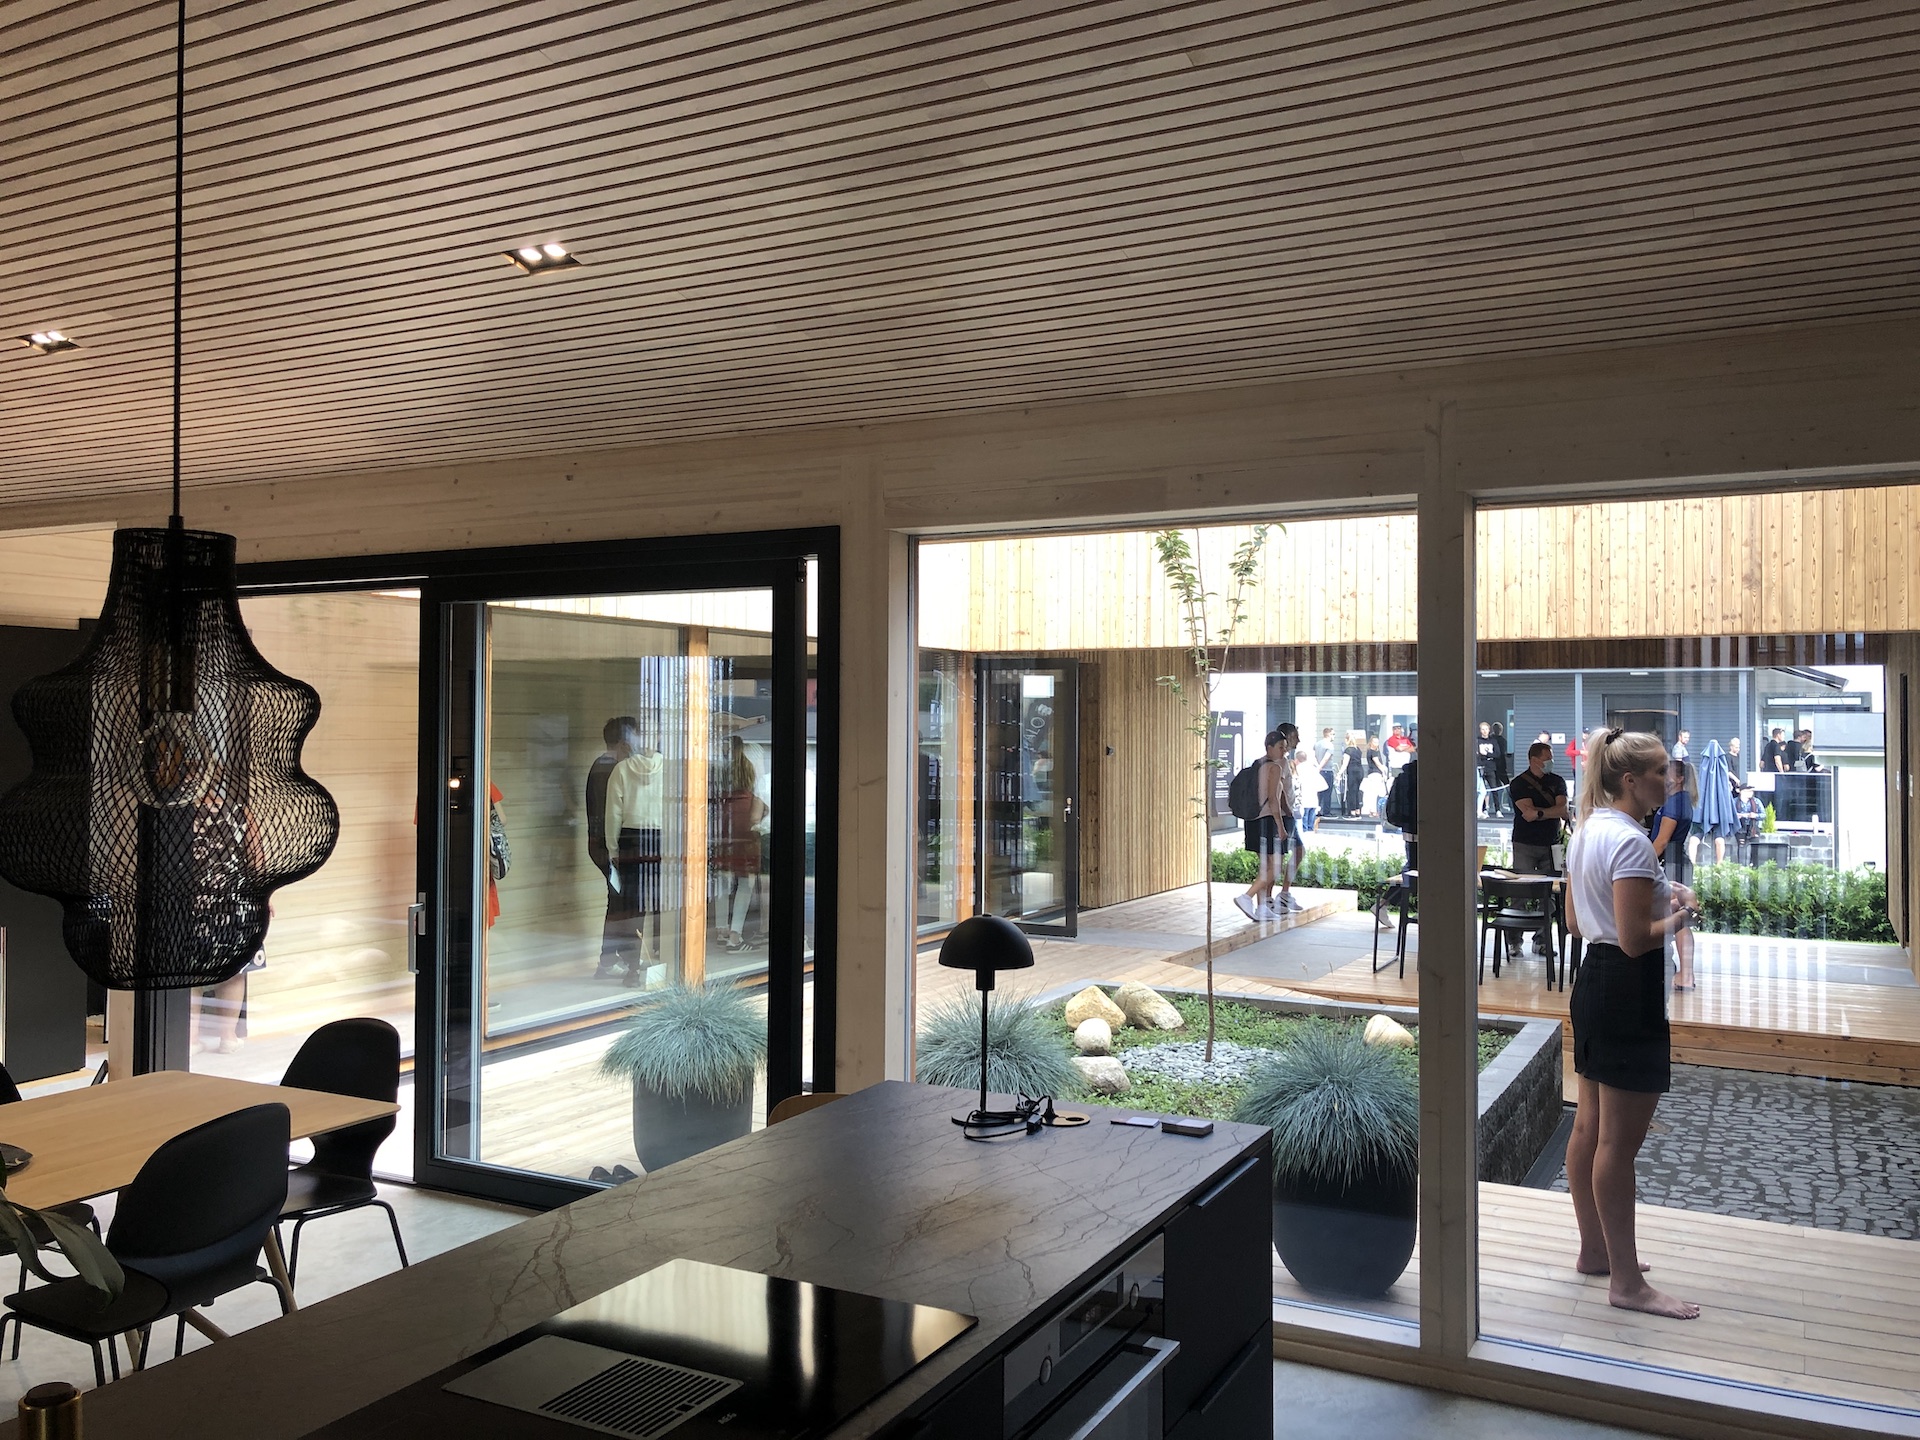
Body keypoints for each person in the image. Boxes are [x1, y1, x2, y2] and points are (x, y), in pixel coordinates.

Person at [1561, 728, 1701, 1321]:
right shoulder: (1632, 842)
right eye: (1661, 771)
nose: (1670, 780)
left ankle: (1595, 1251)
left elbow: (1577, 923)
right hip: (1627, 989)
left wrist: (1659, 896)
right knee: (1618, 1146)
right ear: (1630, 780)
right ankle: (1627, 1283)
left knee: (1589, 1128)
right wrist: (1682, 914)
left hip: (1593, 983)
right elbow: (1635, 939)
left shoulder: (1588, 830)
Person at [606, 736, 666, 985]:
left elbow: (613, 812)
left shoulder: (621, 769)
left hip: (631, 839)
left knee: (633, 906)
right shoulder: (670, 768)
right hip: (662, 837)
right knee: (662, 904)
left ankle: (633, 970)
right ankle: (663, 964)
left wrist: (612, 848)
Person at [1508, 741, 1569, 959]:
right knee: (1519, 893)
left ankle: (1542, 941)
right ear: (1534, 760)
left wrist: (1540, 813)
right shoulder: (1518, 784)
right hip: (1524, 843)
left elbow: (1563, 810)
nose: (1551, 762)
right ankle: (1514, 942)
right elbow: (1527, 813)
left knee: (1549, 894)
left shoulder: (1557, 781)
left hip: (1551, 844)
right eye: (1547, 758)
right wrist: (1550, 811)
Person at [587, 716, 637, 979]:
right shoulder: (610, 769)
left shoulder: (602, 765)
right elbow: (610, 815)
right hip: (608, 847)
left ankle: (610, 961)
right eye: (635, 737)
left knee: (617, 902)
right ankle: (614, 961)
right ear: (624, 742)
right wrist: (613, 850)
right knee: (621, 904)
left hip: (603, 845)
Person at [1235, 727, 1296, 919]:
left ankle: (1262, 907)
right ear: (1269, 747)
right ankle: (1247, 897)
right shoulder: (1275, 768)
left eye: (1285, 747)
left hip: (1252, 820)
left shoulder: (1257, 764)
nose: (1284, 751)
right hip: (1267, 821)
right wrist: (1281, 826)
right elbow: (1273, 800)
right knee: (1275, 866)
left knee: (1265, 866)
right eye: (1280, 747)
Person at [1648, 760, 1698, 990]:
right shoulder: (1682, 800)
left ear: (1679, 779)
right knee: (1678, 917)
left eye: (1665, 773)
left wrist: (1643, 861)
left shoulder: (1674, 803)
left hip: (1671, 863)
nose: (1662, 778)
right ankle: (1684, 973)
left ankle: (1685, 974)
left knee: (1677, 918)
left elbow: (1661, 841)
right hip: (1677, 861)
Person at [715, 736, 767, 953]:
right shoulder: (752, 788)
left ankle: (721, 930)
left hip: (724, 833)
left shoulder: (721, 781)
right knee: (746, 883)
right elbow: (757, 815)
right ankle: (735, 937)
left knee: (723, 881)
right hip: (746, 834)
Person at [1375, 746, 1417, 930]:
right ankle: (1383, 903)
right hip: (1420, 829)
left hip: (1409, 829)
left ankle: (1383, 904)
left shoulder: (1406, 775)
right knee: (1414, 871)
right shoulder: (1425, 776)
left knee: (1413, 869)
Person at [1292, 744, 1322, 832]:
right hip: (1313, 799)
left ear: (1296, 760)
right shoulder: (1313, 768)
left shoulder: (1298, 769)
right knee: (1311, 822)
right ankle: (1310, 832)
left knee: (1303, 821)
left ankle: (1304, 834)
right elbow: (1322, 785)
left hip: (1303, 799)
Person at [1475, 722, 1500, 817]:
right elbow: (1476, 754)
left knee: (1494, 788)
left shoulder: (1493, 741)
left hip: (1490, 767)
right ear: (1480, 730)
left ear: (1489, 730)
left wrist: (1487, 754)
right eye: (1483, 729)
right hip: (1480, 767)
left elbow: (1497, 754)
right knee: (1481, 790)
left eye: (1486, 729)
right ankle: (1482, 809)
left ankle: (1498, 809)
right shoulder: (1477, 741)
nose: (1485, 731)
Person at [1734, 786, 1763, 859]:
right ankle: (1740, 864)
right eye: (1748, 791)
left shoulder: (1756, 801)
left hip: (1753, 827)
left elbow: (1763, 814)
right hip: (1740, 827)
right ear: (1741, 792)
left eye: (1752, 791)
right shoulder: (1734, 801)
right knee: (1741, 848)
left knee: (1755, 848)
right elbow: (1729, 814)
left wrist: (1755, 815)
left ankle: (1754, 864)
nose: (1751, 793)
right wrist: (1736, 816)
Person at [1343, 730, 1366, 818]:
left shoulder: (1348, 750)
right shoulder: (1358, 749)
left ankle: (1352, 811)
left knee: (1352, 791)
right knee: (1357, 791)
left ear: (1346, 740)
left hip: (1352, 771)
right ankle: (1357, 810)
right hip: (1360, 771)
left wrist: (1339, 773)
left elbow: (1345, 764)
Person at [1314, 727, 1338, 816]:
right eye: (1333, 734)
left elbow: (1314, 756)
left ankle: (1317, 810)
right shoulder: (1329, 745)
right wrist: (1320, 767)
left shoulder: (1317, 744)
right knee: (1327, 791)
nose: (1334, 736)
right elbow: (1326, 758)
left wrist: (1317, 767)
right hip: (1327, 770)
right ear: (1329, 734)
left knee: (1319, 792)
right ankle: (1326, 811)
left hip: (1318, 771)